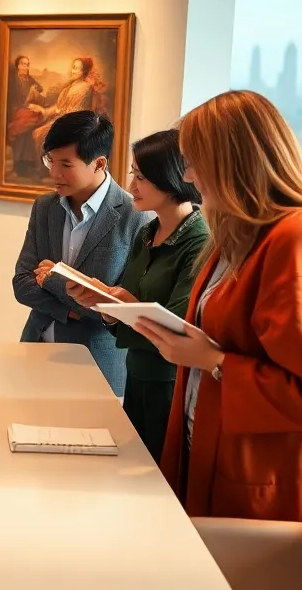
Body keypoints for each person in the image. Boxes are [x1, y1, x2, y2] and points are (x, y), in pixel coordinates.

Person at [132, 89, 302, 522]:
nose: (187, 175)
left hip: (261, 472)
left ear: (230, 162)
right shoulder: (238, 235)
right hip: (212, 443)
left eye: (192, 161)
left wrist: (215, 362)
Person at [67, 130, 207, 462]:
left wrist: (121, 304)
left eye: (141, 176)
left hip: (169, 385)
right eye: (133, 173)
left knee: (158, 478)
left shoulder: (200, 242)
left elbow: (178, 326)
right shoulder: (147, 232)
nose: (131, 186)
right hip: (137, 375)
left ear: (171, 178)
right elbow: (129, 305)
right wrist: (103, 304)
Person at [13, 110, 151, 397]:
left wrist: (52, 280)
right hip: (36, 355)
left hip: (95, 367)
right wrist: (68, 309)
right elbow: (22, 284)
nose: (54, 173)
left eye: (66, 164)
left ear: (99, 163)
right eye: (51, 160)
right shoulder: (45, 207)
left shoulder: (136, 217)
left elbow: (115, 307)